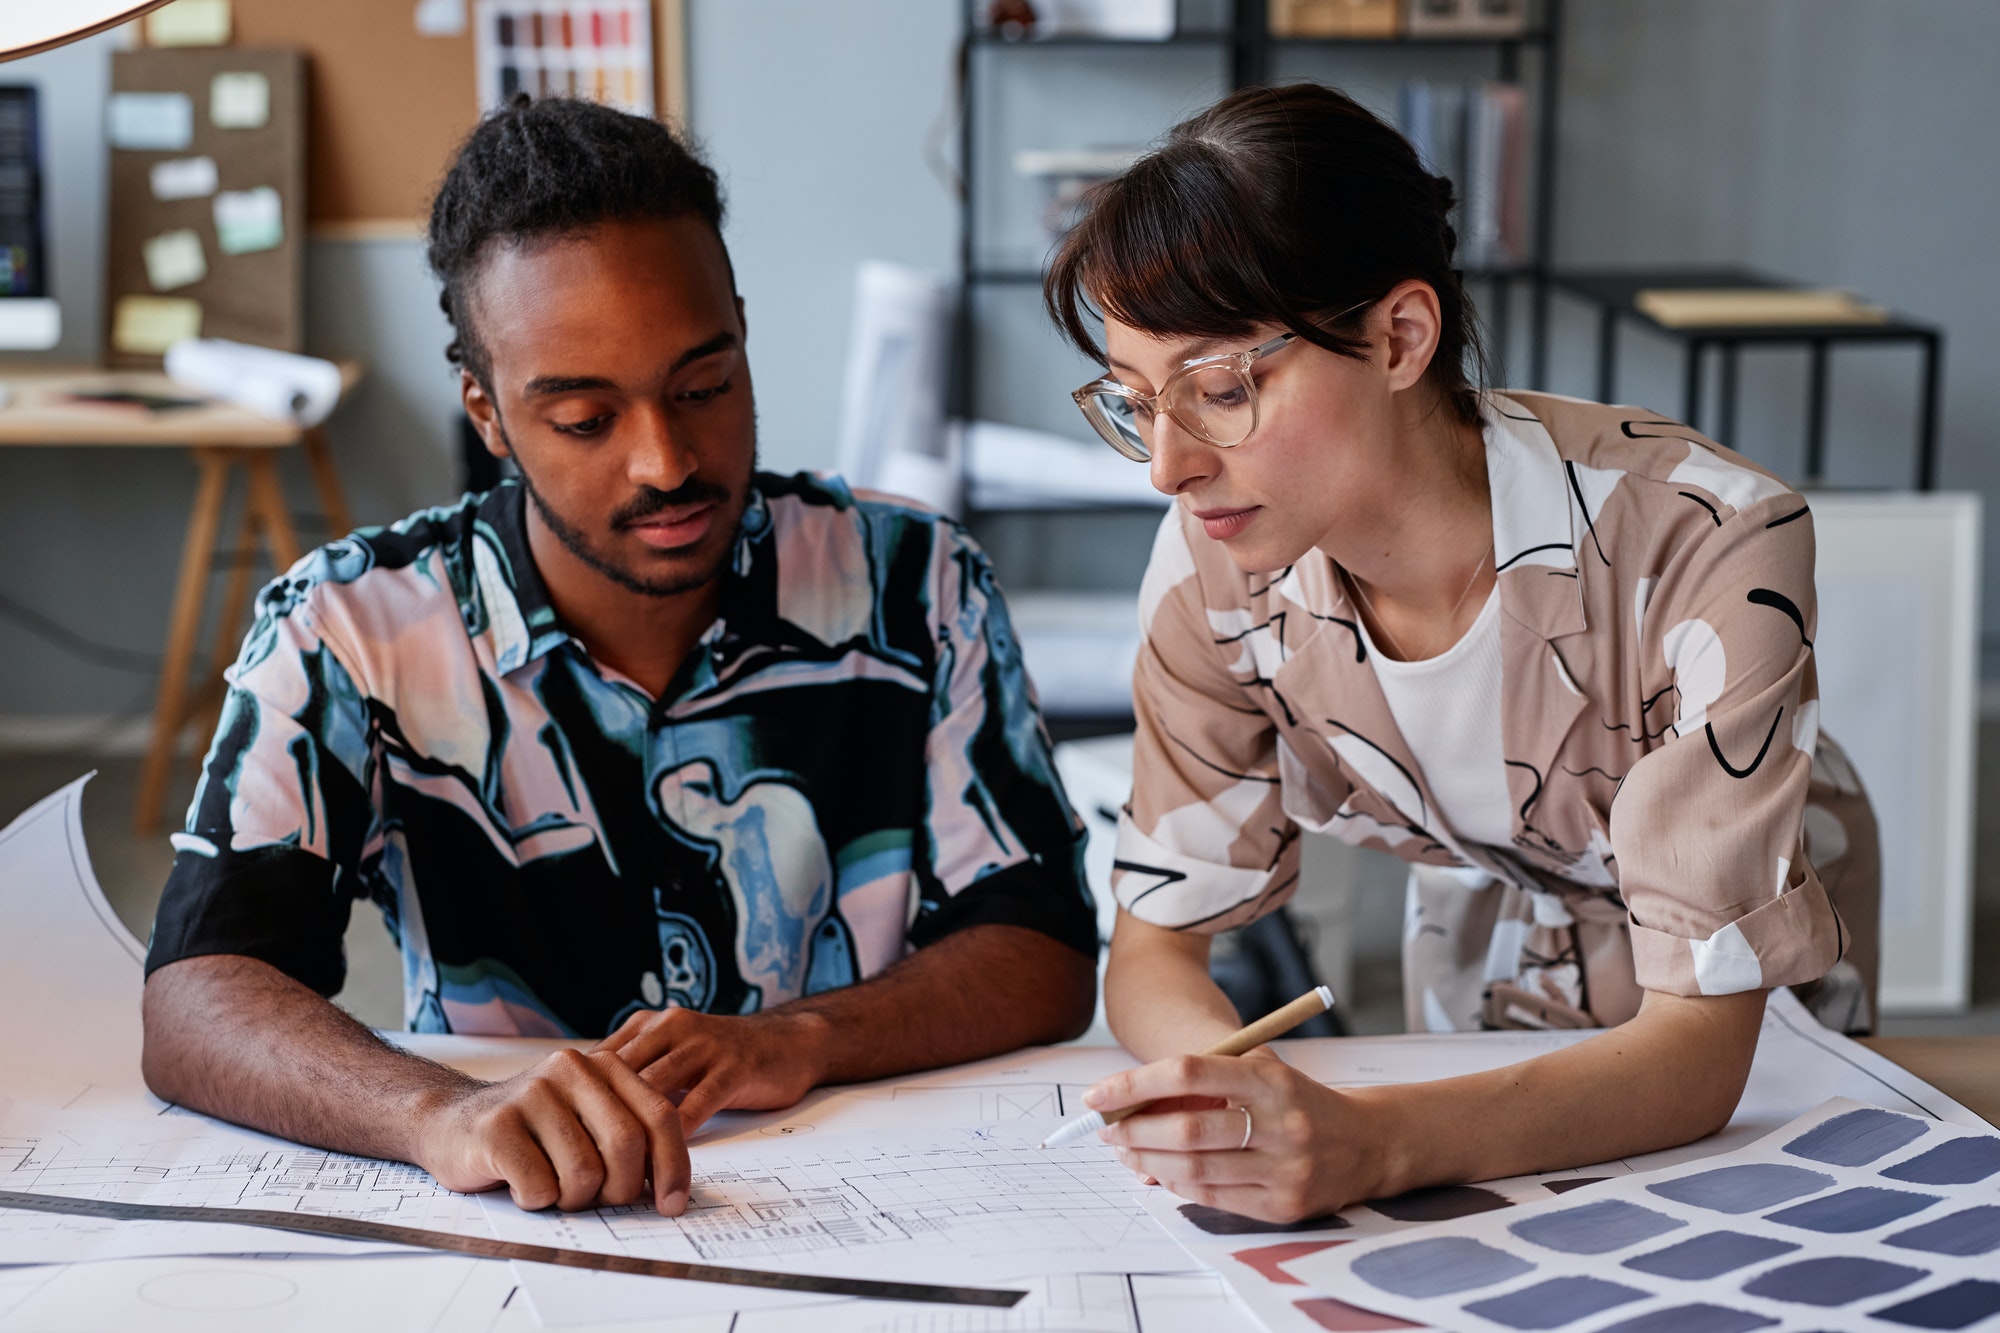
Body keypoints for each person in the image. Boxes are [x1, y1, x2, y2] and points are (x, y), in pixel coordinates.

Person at [140, 96, 1098, 1218]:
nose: (664, 461)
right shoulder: (351, 625)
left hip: (860, 1197)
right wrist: (434, 1112)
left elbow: (1040, 943)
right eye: (586, 419)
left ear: (740, 331)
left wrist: (799, 1038)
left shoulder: (913, 583)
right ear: (487, 413)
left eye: (703, 387)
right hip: (518, 1221)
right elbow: (198, 994)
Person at [1040, 83, 1879, 1224]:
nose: (1166, 465)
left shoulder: (1705, 538)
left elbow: (1696, 1050)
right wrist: (1230, 1093)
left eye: (1220, 388)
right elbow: (1149, 950)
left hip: (1736, 981)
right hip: (1489, 926)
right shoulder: (1213, 566)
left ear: (1398, 336)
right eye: (1135, 403)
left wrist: (1374, 1144)